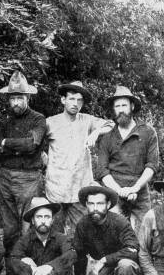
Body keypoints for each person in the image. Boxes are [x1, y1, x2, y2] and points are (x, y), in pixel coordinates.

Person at [0, 71, 47, 275]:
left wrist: (7, 143)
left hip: (29, 178)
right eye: (13, 98)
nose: (16, 102)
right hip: (5, 176)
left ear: (28, 98)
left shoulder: (38, 119)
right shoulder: (4, 121)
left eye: (20, 98)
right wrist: (12, 145)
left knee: (28, 229)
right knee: (9, 230)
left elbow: (32, 145)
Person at [44, 81, 113, 237]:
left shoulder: (87, 120)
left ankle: (80, 261)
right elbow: (36, 143)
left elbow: (110, 124)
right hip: (56, 188)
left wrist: (96, 133)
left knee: (82, 232)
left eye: (79, 100)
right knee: (54, 235)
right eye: (72, 99)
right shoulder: (50, 122)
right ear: (63, 100)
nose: (75, 103)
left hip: (79, 188)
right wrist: (45, 160)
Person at [67, 185, 142, 275]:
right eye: (91, 203)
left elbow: (133, 249)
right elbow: (80, 254)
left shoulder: (119, 222)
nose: (95, 207)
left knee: (124, 265)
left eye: (100, 203)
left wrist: (105, 259)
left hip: (125, 267)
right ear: (86, 205)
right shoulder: (83, 224)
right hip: (104, 271)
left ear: (108, 205)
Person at [94, 86, 159, 229]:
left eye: (124, 105)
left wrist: (135, 188)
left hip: (140, 190)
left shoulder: (148, 132)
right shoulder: (107, 136)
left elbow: (152, 165)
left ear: (132, 106)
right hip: (114, 191)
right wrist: (119, 190)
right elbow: (102, 171)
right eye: (117, 106)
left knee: (147, 232)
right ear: (113, 109)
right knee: (112, 230)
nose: (121, 109)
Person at [10, 197, 77, 275]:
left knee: (65, 263)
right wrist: (36, 272)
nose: (43, 221)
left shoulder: (61, 238)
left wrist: (50, 268)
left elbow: (72, 254)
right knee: (25, 261)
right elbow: (13, 259)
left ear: (52, 220)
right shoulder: (25, 240)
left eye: (47, 217)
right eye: (39, 217)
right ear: (33, 221)